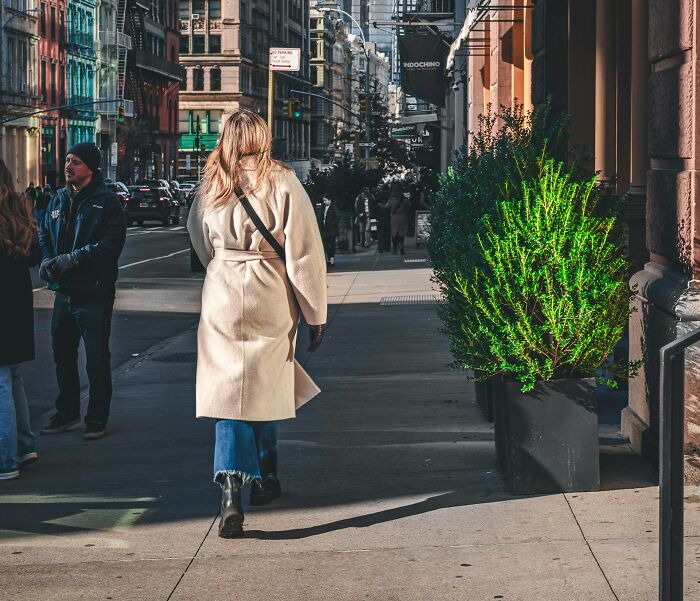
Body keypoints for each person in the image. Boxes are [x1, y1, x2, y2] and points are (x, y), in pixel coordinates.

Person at [188, 109, 327, 538]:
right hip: (270, 288)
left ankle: (232, 487)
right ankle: (264, 478)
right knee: (265, 380)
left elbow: (196, 235)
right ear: (261, 137)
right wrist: (315, 313)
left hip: (223, 288)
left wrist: (224, 264)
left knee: (230, 389)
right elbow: (303, 251)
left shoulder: (212, 183)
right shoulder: (281, 180)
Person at [37, 143, 127, 440]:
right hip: (64, 291)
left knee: (96, 357)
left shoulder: (107, 202)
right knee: (62, 354)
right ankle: (67, 411)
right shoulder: (59, 199)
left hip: (94, 292)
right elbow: (44, 232)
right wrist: (49, 260)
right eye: (67, 160)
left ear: (90, 167)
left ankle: (97, 417)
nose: (68, 166)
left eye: (75, 161)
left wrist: (74, 259)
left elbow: (110, 245)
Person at [0, 160, 40, 480]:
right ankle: (25, 445)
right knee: (14, 378)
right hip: (17, 302)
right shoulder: (19, 208)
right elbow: (35, 255)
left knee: (2, 381)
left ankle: (5, 458)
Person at [386, 181, 410, 255]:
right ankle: (401, 247)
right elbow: (409, 207)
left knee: (394, 233)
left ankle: (394, 249)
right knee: (401, 233)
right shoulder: (405, 200)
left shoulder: (391, 200)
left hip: (394, 217)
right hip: (403, 217)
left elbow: (386, 207)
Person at [322, 195, 339, 267]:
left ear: (330, 200)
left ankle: (331, 260)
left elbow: (337, 217)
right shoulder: (323, 208)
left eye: (325, 200)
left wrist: (331, 224)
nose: (324, 202)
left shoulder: (334, 208)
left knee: (332, 244)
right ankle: (330, 257)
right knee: (325, 244)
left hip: (332, 230)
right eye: (324, 200)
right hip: (325, 229)